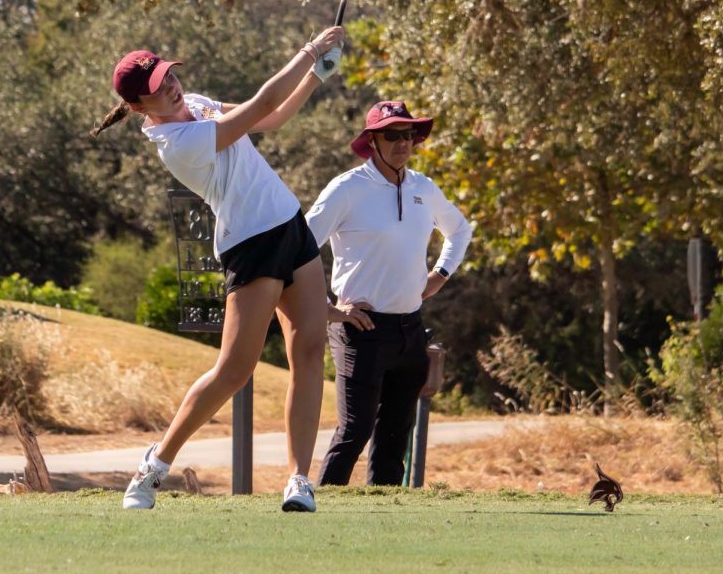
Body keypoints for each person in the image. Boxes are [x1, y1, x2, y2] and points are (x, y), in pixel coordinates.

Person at [92, 26, 357, 512]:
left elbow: (270, 119)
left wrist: (317, 75)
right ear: (138, 107)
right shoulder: (178, 142)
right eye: (157, 89)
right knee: (234, 370)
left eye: (168, 75)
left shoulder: (193, 100)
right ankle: (154, 466)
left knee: (310, 352)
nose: (170, 86)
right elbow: (256, 106)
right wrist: (309, 50)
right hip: (251, 243)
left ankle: (299, 480)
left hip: (290, 225)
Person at [305, 100, 473, 486]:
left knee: (395, 436)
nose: (403, 143)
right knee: (355, 431)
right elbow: (298, 249)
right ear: (372, 141)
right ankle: (319, 508)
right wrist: (330, 310)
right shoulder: (347, 189)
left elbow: (460, 230)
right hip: (359, 329)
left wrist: (441, 275)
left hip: (410, 329)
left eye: (409, 134)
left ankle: (384, 521)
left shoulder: (423, 188)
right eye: (392, 135)